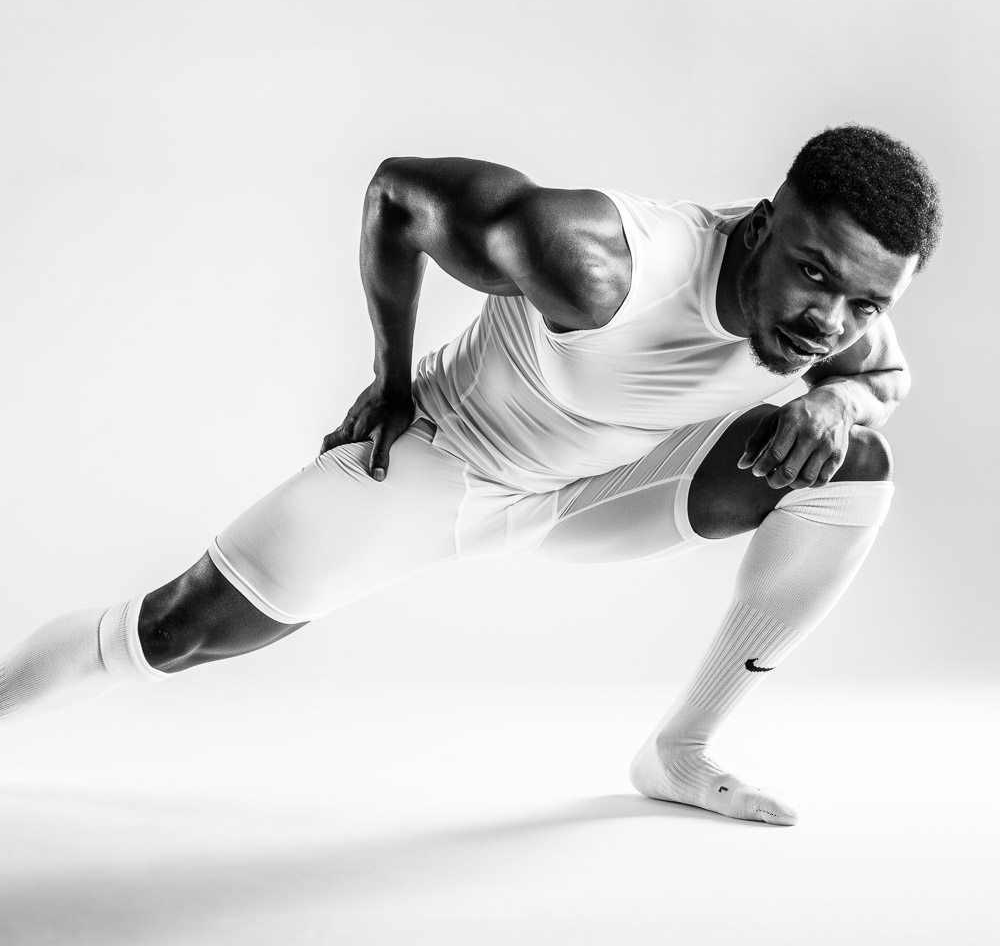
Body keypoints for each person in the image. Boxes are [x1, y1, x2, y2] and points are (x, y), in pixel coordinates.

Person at [0, 124, 940, 825]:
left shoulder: (839, 316)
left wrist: (837, 402)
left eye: (866, 302)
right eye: (815, 275)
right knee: (175, 629)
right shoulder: (602, 263)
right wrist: (390, 379)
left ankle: (680, 752)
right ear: (763, 227)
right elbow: (398, 194)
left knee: (854, 465)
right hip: (444, 464)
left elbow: (880, 378)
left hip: (601, 496)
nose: (830, 322)